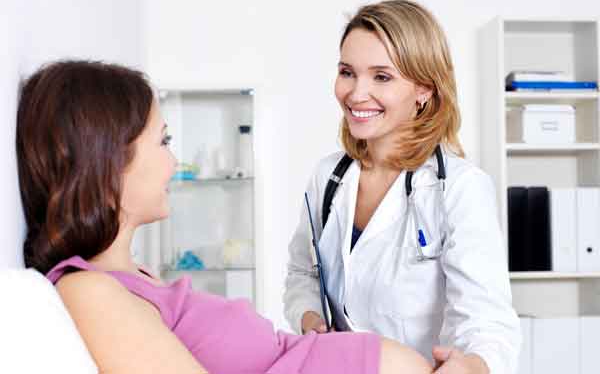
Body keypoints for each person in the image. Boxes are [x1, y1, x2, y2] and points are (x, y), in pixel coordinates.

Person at [16, 60, 435, 374]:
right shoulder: (89, 291)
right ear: (109, 161)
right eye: (163, 141)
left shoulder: (130, 278)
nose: (173, 161)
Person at [283, 1, 521, 373]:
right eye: (348, 72)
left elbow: (488, 321)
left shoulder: (458, 189)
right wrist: (308, 315)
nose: (356, 94)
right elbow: (303, 273)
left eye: (382, 77)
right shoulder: (328, 177)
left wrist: (472, 365)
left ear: (424, 88)